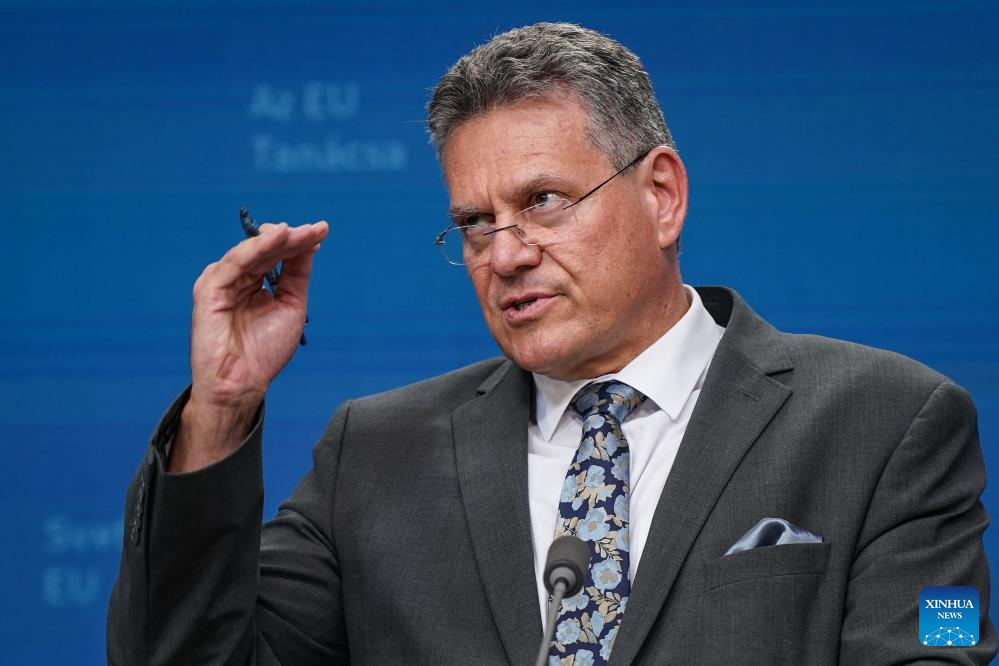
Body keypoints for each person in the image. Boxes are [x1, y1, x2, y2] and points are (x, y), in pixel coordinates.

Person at [107, 22, 994, 665]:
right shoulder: (373, 453)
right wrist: (221, 409)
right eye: (474, 222)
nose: (505, 254)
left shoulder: (883, 421)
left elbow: (936, 650)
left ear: (661, 195)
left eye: (542, 202)